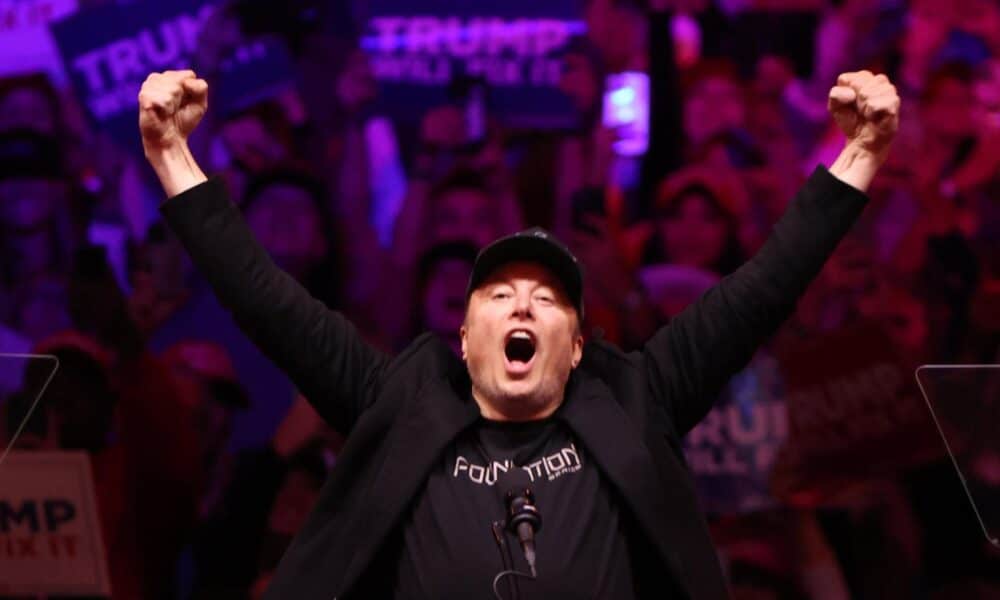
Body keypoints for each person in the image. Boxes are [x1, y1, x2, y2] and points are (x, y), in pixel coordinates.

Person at [138, 67, 899, 599]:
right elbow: (266, 301)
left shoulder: (636, 395)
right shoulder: (398, 398)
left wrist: (858, 154)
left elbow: (762, 289)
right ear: (464, 340)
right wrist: (173, 157)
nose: (524, 306)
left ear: (576, 346)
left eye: (546, 298)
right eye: (498, 294)